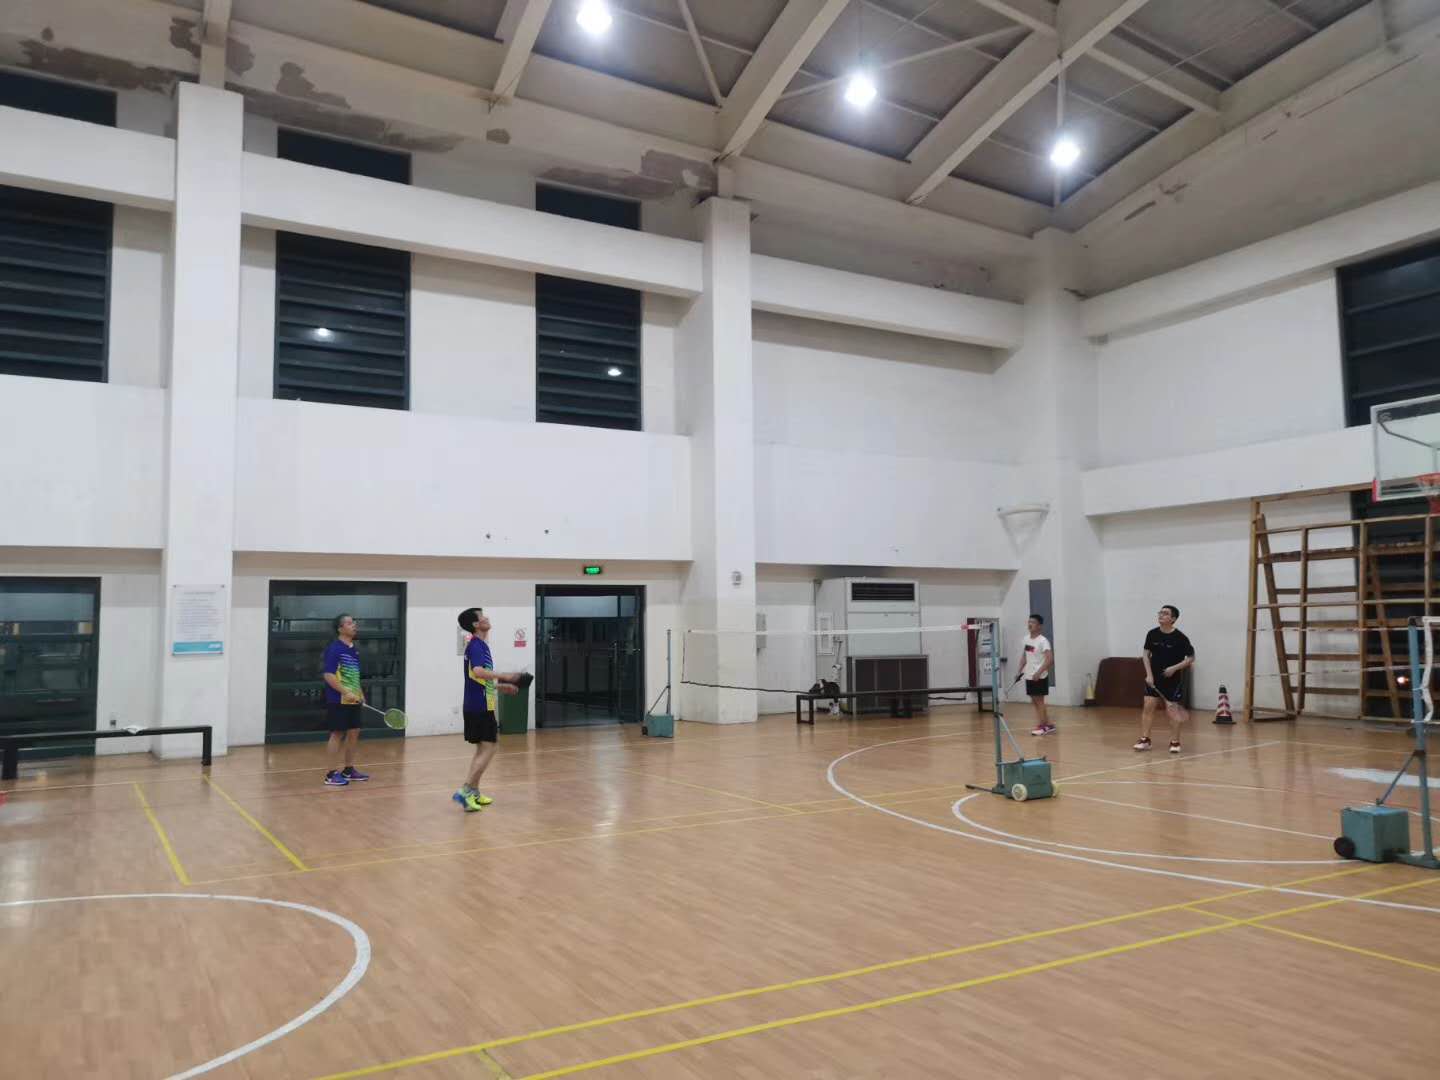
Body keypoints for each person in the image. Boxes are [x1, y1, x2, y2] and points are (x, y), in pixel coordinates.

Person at [453, 607, 525, 812]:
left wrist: (501, 687)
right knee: (490, 747)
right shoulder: (476, 645)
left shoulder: (480, 645)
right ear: (476, 624)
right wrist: (505, 676)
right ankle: (465, 790)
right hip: (479, 706)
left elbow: (478, 679)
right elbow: (478, 671)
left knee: (483, 749)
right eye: (482, 616)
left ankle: (473, 793)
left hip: (482, 704)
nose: (486, 618)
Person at [1135, 604, 1195, 754]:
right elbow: (1145, 654)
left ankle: (1175, 742)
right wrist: (1149, 675)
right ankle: (1145, 740)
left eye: (1165, 613)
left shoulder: (1180, 638)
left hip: (1172, 681)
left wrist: (1174, 668)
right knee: (1148, 707)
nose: (1161, 615)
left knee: (1173, 711)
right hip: (1154, 679)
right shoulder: (1152, 634)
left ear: (1173, 619)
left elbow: (1191, 658)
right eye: (1160, 613)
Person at [321, 613, 370, 787]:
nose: (354, 625)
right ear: (340, 629)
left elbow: (353, 675)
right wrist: (345, 692)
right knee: (337, 734)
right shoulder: (334, 649)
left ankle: (348, 770)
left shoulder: (353, 649)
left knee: (354, 732)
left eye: (354, 622)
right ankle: (330, 774)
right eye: (349, 623)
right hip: (338, 699)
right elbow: (328, 675)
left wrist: (360, 693)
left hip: (353, 699)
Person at [1017, 614, 1055, 736]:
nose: (1030, 624)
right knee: (1034, 701)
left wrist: (1039, 672)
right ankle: (1047, 724)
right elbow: (1025, 656)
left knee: (1039, 701)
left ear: (1039, 626)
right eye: (1029, 622)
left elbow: (1050, 659)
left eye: (1033, 622)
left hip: (1039, 676)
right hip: (1029, 675)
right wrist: (1019, 671)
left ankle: (1043, 726)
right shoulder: (1026, 639)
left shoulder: (1043, 641)